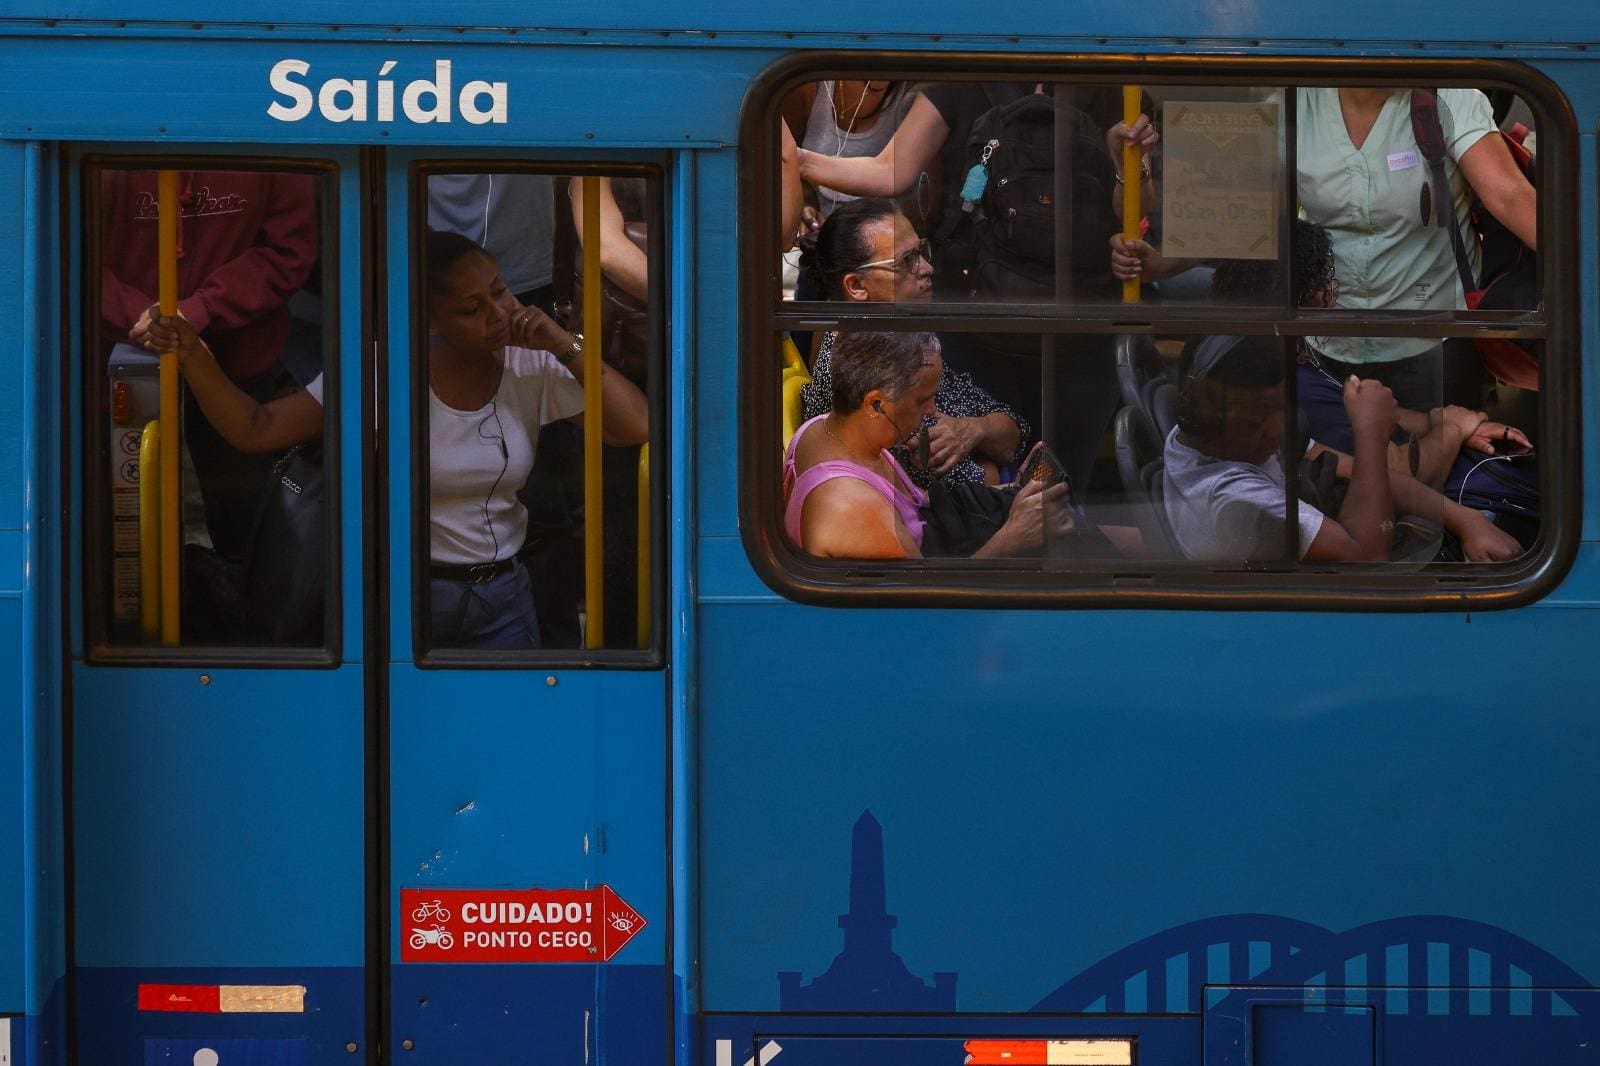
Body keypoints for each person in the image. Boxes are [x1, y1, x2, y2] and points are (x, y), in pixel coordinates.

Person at [145, 229, 648, 650]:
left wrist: (566, 345)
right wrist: (193, 356)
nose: (497, 314)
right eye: (472, 308)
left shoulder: (531, 363)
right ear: (431, 322)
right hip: (405, 600)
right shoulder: (384, 370)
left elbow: (632, 426)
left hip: (505, 600)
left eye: (500, 291)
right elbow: (257, 428)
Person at [107, 167, 319, 558]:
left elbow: (289, 250)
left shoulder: (266, 137)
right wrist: (152, 320)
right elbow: (59, 241)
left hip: (239, 364)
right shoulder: (99, 132)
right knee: (125, 530)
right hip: (116, 363)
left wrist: (196, 312)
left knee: (246, 524)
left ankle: (242, 607)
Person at [1163, 334, 1521, 563]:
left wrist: (1467, 521)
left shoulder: (1210, 432)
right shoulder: (1237, 500)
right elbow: (1366, 560)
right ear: (1210, 419)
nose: (1278, 426)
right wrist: (1370, 431)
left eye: (1281, 409)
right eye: (1258, 420)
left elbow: (1355, 470)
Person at [1295, 87, 1537, 408]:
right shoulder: (1295, 98)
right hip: (1324, 339)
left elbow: (1508, 196)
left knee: (1444, 447)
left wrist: (1587, 266)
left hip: (1434, 342)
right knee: (1339, 454)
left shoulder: (1448, 98)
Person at [797, 197, 1028, 487]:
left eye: (921, 251)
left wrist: (975, 429)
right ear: (857, 286)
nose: (927, 268)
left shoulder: (907, 340)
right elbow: (966, 487)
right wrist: (987, 455)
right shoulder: (864, 372)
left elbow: (1014, 431)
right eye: (907, 260)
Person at [785, 331, 1066, 559]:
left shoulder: (827, 428)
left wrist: (1011, 493)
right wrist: (1015, 536)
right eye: (921, 400)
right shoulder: (852, 506)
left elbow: (918, 502)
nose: (932, 410)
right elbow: (928, 604)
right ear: (875, 404)